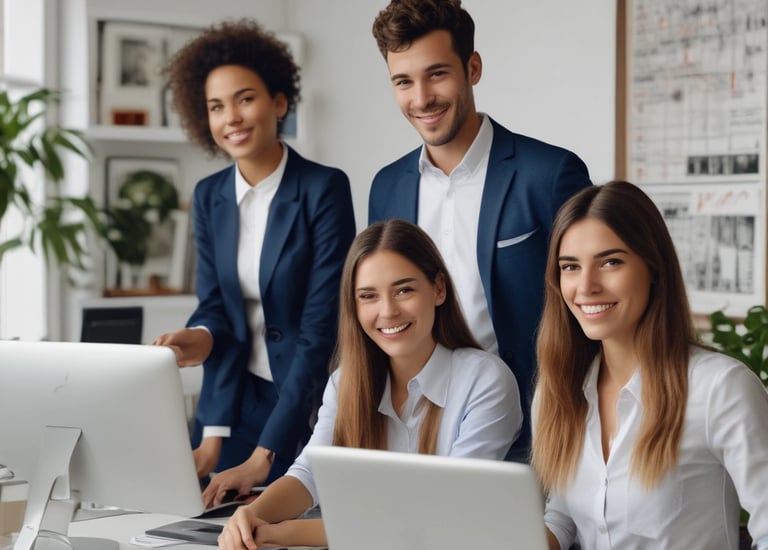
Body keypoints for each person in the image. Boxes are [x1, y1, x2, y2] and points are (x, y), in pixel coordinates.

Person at [368, 0, 592, 461]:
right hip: (421, 431)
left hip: (539, 429)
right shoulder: (386, 188)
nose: (421, 98)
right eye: (403, 81)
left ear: (473, 67)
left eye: (437, 74)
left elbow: (591, 304)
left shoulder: (550, 174)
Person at [217, 219, 523, 549]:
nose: (388, 311)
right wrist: (250, 516)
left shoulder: (486, 381)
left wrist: (281, 533)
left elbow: (441, 512)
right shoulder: (346, 381)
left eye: (404, 290)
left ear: (438, 289)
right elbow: (310, 473)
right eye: (368, 296)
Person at [151, 19, 356, 505]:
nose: (232, 118)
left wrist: (265, 454)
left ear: (279, 103)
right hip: (228, 405)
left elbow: (319, 330)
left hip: (300, 403)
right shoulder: (208, 196)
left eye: (245, 98)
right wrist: (198, 339)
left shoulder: (323, 190)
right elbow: (218, 306)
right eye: (216, 107)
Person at [531, 181, 768, 549]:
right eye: (571, 267)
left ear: (653, 267)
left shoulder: (721, 389)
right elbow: (562, 517)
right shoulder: (558, 389)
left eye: (611, 262)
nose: (586, 285)